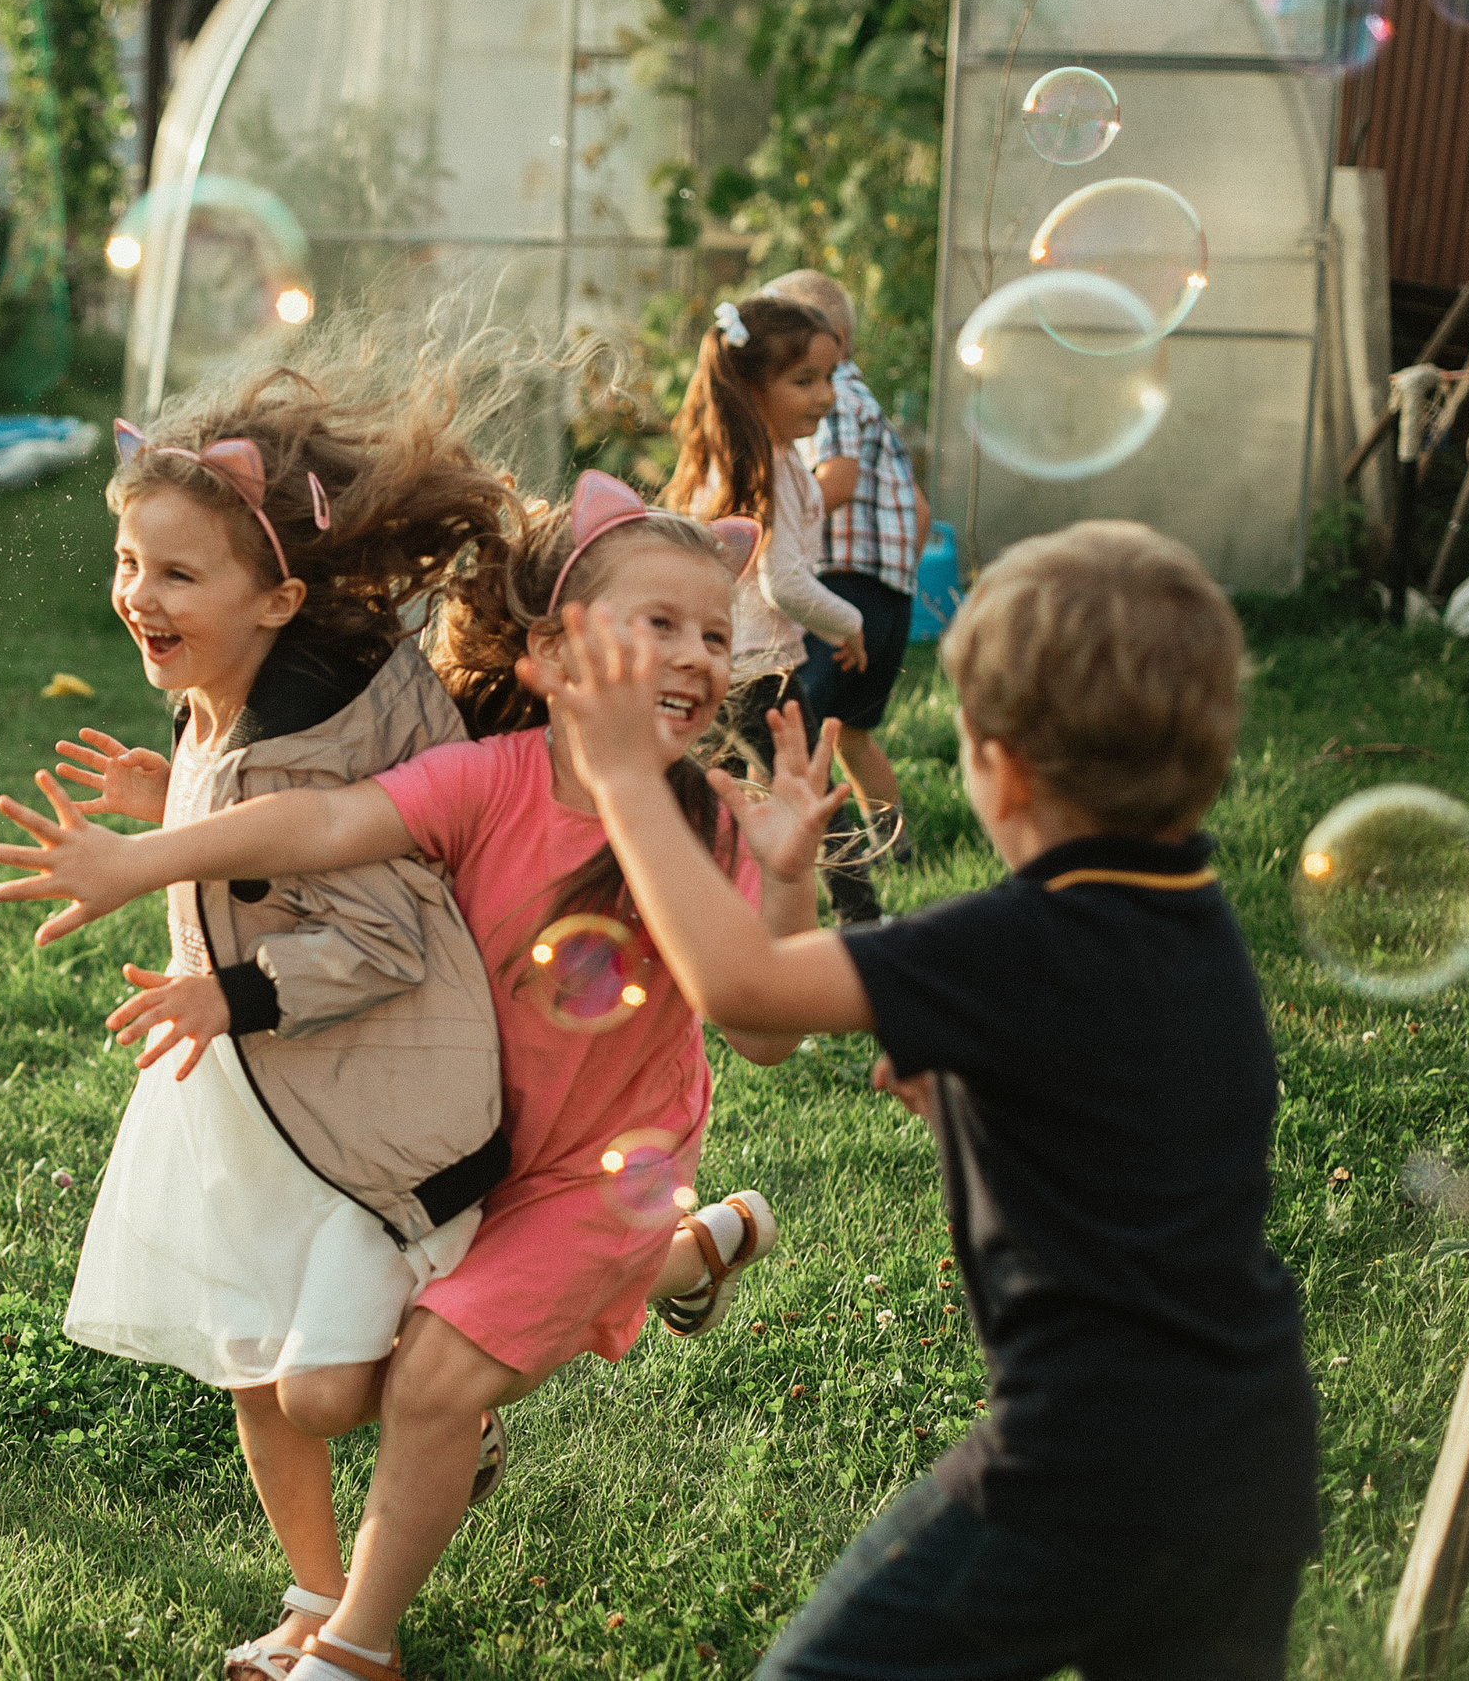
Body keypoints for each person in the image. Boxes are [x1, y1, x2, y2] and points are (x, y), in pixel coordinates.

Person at [0, 469, 840, 1681]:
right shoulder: (491, 779)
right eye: (659, 623)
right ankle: (681, 1254)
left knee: (430, 1381)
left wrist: (788, 879)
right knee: (326, 1383)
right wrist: (149, 849)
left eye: (712, 631)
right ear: (549, 654)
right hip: (451, 1146)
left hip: (598, 1172)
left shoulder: (717, 823)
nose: (698, 655)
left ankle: (355, 1649)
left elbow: (762, 1031)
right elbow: (322, 826)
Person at [536, 521, 1320, 1681]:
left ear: (998, 767)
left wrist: (618, 779)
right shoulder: (1188, 911)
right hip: (1247, 1454)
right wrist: (812, 901)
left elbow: (741, 985)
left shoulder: (1015, 938)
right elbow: (1121, 1096)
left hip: (1075, 1469)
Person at [45, 348, 519, 1681]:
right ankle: (320, 1598)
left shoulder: (312, 745)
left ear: (281, 599)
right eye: (131, 563)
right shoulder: (237, 693)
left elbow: (375, 935)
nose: (139, 594)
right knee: (250, 1363)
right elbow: (247, 847)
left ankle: (463, 1403)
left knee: (325, 1389)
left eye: (176, 574)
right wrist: (171, 800)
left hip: (356, 1099)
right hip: (248, 1097)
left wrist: (226, 988)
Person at [661, 295, 873, 921]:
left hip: (719, 664)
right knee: (814, 796)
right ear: (752, 387)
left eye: (829, 377)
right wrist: (852, 623)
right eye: (804, 380)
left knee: (722, 802)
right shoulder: (770, 468)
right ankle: (864, 920)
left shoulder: (742, 459)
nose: (825, 396)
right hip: (762, 673)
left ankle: (711, 915)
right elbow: (786, 586)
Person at [760, 269, 932, 915]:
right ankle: (897, 847)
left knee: (795, 739)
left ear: (824, 344)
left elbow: (835, 477)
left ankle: (826, 855)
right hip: (884, 597)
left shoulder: (838, 401)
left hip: (841, 594)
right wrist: (901, 585)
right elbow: (916, 508)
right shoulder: (873, 406)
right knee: (853, 732)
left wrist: (783, 516)